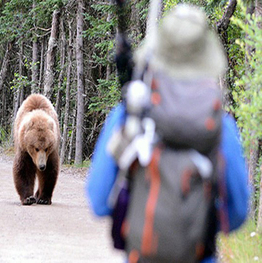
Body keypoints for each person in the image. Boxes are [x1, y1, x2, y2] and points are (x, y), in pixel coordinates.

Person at [86, 4, 249, 263]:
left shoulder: (131, 114)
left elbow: (99, 200)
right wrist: (195, 223)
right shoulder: (221, 126)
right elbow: (238, 214)